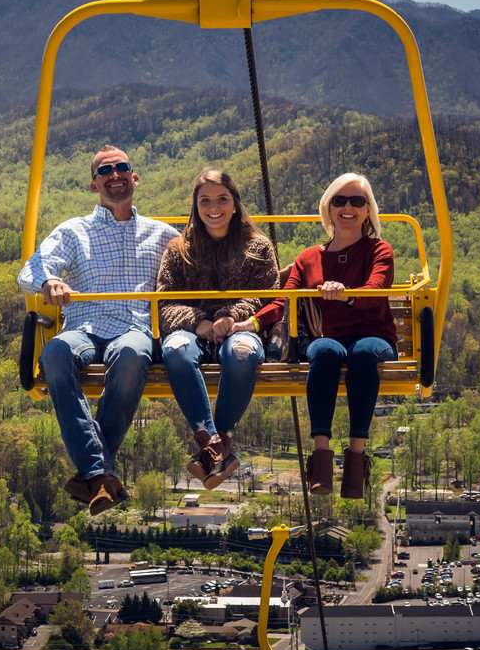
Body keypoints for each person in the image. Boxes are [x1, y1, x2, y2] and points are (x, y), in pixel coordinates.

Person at [18, 145, 178, 515]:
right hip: (85, 326)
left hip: (134, 327)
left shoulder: (163, 235)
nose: (114, 175)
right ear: (94, 185)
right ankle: (102, 473)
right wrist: (49, 282)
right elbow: (32, 268)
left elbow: (198, 265)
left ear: (134, 177)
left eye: (121, 167)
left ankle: (93, 473)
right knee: (55, 353)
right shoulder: (74, 231)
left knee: (131, 355)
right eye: (105, 171)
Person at [231, 173, 396, 499]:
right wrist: (254, 323)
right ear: (328, 207)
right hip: (330, 336)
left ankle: (356, 460)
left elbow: (376, 289)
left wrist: (346, 294)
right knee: (323, 351)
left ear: (368, 210)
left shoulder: (379, 250)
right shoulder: (309, 258)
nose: (348, 208)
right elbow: (285, 300)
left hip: (374, 335)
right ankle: (320, 459)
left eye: (357, 201)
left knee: (363, 353)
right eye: (339, 201)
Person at [157, 168, 279, 489]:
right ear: (195, 206)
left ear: (235, 204)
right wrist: (199, 322)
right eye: (205, 200)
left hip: (240, 329)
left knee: (242, 352)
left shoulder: (258, 248)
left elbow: (267, 296)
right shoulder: (178, 250)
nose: (214, 207)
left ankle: (213, 449)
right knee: (175, 350)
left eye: (222, 199)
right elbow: (165, 302)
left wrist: (230, 316)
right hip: (192, 330)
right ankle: (217, 447)